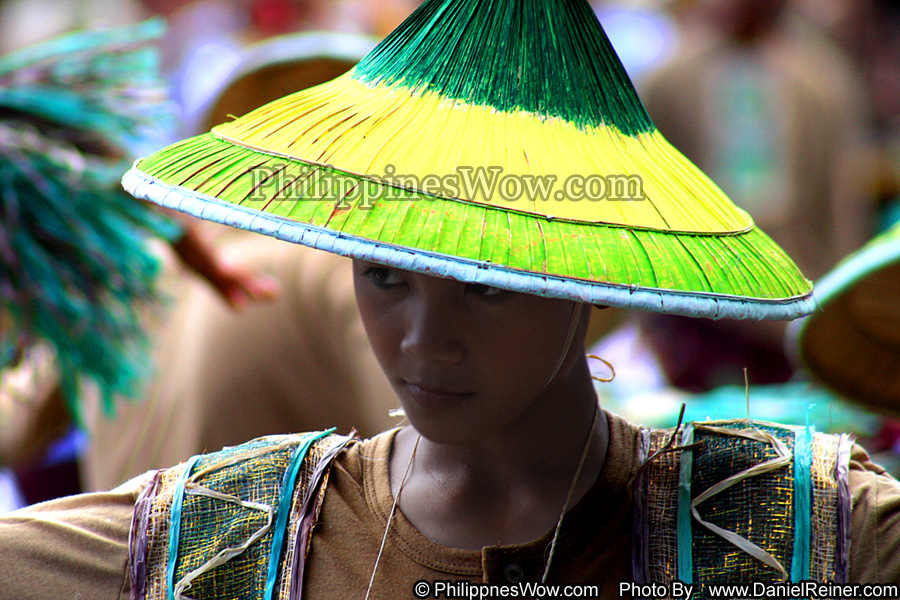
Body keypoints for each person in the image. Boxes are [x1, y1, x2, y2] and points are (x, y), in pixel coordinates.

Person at [3, 0, 899, 597]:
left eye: (481, 285)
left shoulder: (808, 525)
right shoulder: (225, 524)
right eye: (385, 275)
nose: (424, 342)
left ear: (574, 272)